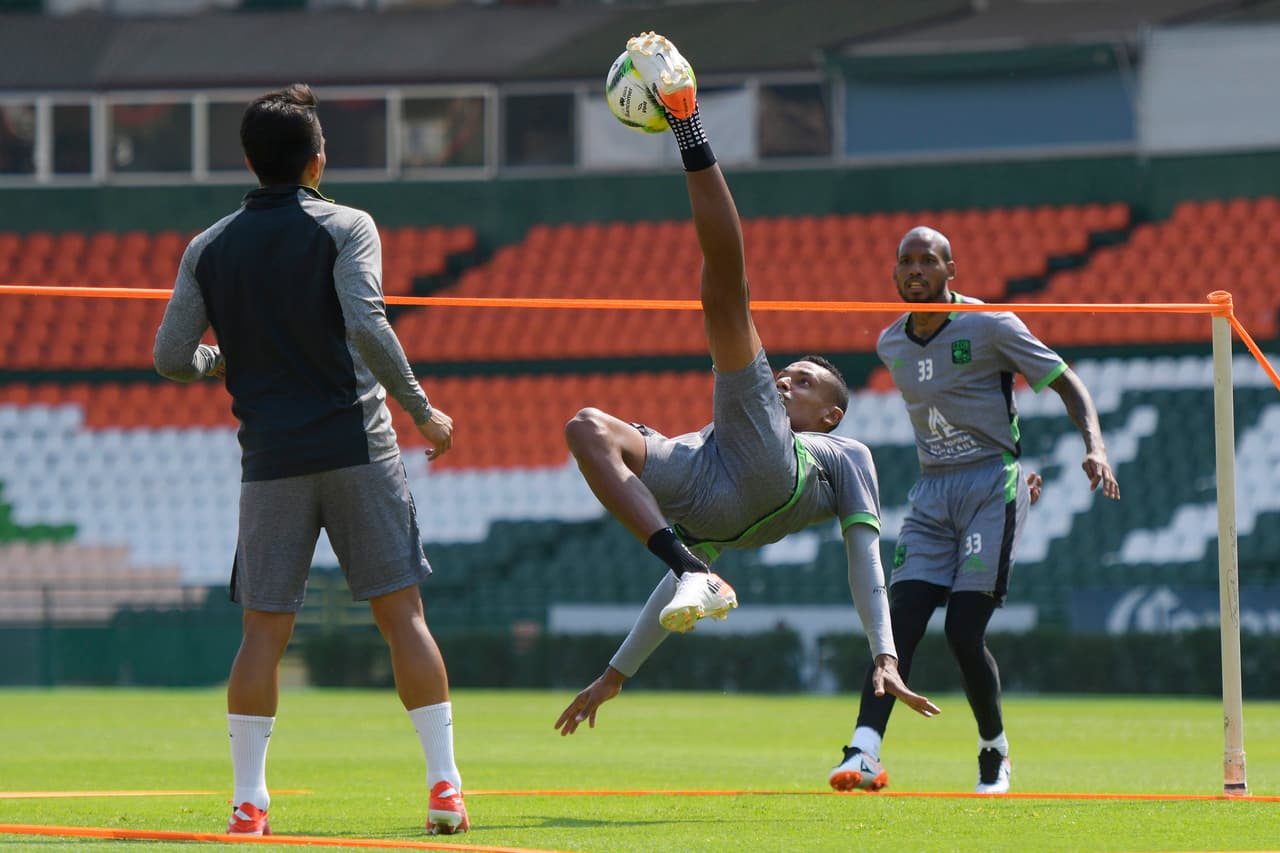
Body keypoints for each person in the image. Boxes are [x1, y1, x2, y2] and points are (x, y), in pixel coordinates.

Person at [552, 34, 941, 787]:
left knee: (725, 296)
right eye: (785, 375)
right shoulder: (746, 429)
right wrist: (616, 673)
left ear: (831, 416)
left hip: (769, 470)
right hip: (705, 485)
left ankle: (688, 125)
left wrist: (885, 653)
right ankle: (691, 565)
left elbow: (865, 559)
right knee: (585, 428)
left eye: (805, 382)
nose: (787, 380)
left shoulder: (843, 454)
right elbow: (671, 599)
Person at [153, 84, 468, 836]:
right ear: (316, 161)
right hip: (360, 448)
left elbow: (169, 356)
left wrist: (213, 360)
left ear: (249, 162)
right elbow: (367, 325)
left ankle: (249, 804)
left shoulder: (207, 246)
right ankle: (445, 789)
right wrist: (422, 408)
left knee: (263, 634)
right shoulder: (349, 225)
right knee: (403, 618)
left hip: (271, 461)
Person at [842, 225, 1122, 794]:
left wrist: (1094, 446)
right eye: (906, 261)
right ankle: (863, 751)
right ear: (894, 273)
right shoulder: (890, 342)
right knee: (897, 625)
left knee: (963, 631)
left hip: (992, 484)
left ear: (951, 270)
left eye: (928, 260)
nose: (915, 270)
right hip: (931, 492)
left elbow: (1066, 381)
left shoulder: (991, 325)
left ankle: (994, 749)